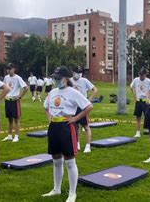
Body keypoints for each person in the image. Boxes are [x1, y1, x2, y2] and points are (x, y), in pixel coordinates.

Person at [42, 66, 93, 202]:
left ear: (66, 79)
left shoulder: (73, 92)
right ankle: (56, 189)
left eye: (58, 78)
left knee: (70, 161)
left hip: (66, 127)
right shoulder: (53, 92)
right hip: (54, 127)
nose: (56, 80)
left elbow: (88, 106)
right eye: (54, 78)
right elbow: (45, 106)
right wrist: (50, 118)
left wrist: (75, 119)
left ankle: (72, 193)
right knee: (56, 160)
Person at [70, 66, 98, 153]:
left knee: (86, 126)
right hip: (73, 106)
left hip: (83, 106)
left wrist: (90, 98)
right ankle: (77, 143)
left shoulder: (84, 81)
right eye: (76, 72)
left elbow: (95, 90)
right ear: (73, 72)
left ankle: (88, 145)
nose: (78, 74)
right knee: (75, 126)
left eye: (79, 72)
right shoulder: (70, 81)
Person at [2, 63, 29, 142]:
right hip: (7, 100)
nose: (8, 70)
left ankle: (16, 136)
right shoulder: (6, 77)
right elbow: (4, 87)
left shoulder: (18, 78)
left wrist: (19, 96)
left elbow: (26, 88)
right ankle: (9, 135)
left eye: (10, 69)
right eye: (7, 69)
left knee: (16, 119)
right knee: (9, 119)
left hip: (14, 101)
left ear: (14, 69)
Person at [130, 68, 150, 138]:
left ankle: (149, 130)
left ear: (145, 74)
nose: (141, 76)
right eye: (140, 74)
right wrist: (134, 97)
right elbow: (131, 87)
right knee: (138, 117)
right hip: (138, 101)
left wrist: (149, 98)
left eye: (142, 75)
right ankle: (138, 132)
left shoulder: (149, 81)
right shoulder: (136, 80)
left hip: (146, 101)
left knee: (148, 117)